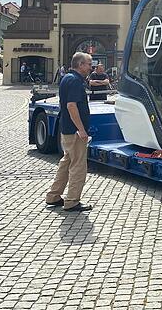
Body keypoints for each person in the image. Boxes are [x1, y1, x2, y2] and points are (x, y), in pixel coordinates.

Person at [45, 52, 94, 212]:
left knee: (66, 163)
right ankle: (72, 201)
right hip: (75, 131)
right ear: (80, 65)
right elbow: (71, 106)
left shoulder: (67, 78)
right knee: (78, 166)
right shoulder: (75, 81)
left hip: (67, 129)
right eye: (89, 64)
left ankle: (53, 196)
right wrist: (81, 130)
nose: (90, 67)